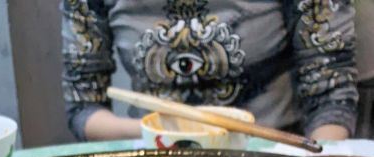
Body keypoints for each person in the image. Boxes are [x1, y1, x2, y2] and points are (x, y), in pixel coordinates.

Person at [61, 0, 358, 142]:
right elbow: (84, 106)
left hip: (273, 154)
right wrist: (165, 133)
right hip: (155, 156)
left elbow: (332, 98)